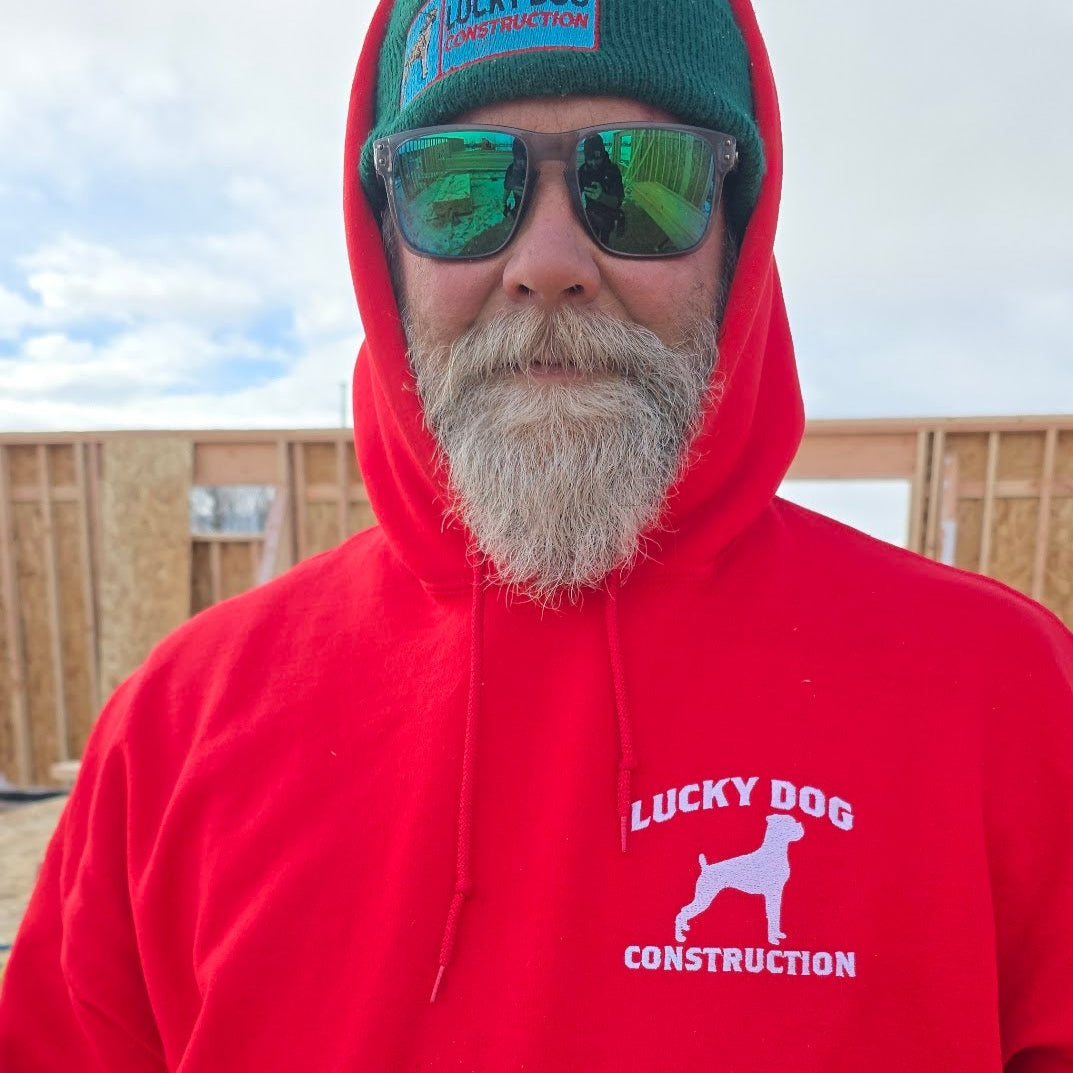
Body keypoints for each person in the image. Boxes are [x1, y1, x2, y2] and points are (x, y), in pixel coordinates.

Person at [2, 1, 1072, 1070]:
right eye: (461, 187)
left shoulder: (1010, 702)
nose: (547, 259)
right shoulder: (176, 730)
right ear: (383, 243)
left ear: (739, 232)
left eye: (641, 180)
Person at [577, 132, 625, 243]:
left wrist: (602, 197)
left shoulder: (612, 171)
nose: (594, 163)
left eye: (597, 158)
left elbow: (617, 202)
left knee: (604, 243)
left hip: (607, 218)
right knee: (590, 243)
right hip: (590, 217)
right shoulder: (583, 171)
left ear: (603, 154)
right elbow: (575, 196)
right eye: (590, 158)